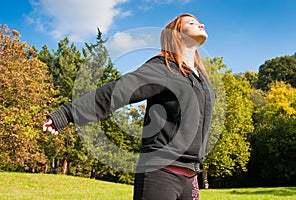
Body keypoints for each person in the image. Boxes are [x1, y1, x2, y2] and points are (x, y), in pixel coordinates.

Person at [43, 13, 215, 200]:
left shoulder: (201, 79)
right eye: (192, 23)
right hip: (160, 171)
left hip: (190, 175)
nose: (201, 24)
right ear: (177, 34)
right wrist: (66, 113)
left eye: (199, 22)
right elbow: (116, 91)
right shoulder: (163, 68)